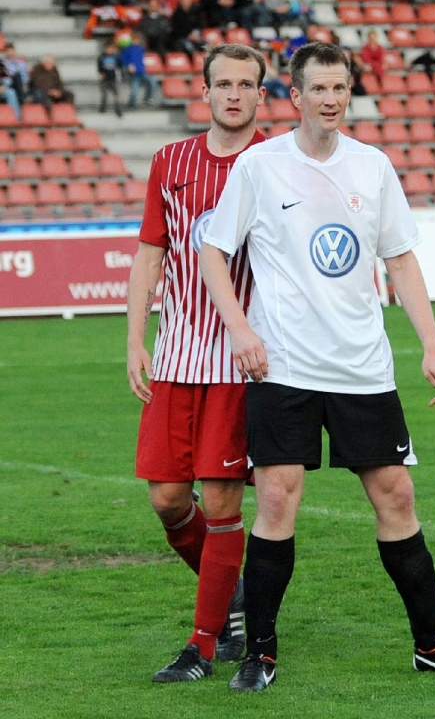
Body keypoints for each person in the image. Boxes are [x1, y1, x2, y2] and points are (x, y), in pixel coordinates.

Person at [199, 41, 435, 692]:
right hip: (283, 368)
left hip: (363, 368)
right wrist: (241, 328)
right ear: (295, 96)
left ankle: (433, 646)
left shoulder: (373, 165)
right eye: (319, 89)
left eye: (340, 88)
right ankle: (260, 654)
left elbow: (401, 260)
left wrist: (432, 346)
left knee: (396, 495)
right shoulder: (259, 166)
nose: (331, 99)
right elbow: (213, 251)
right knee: (276, 497)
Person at [127, 43, 267, 683]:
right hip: (177, 355)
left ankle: (202, 646)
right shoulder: (170, 161)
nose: (234, 95)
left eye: (246, 85)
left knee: (220, 501)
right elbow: (149, 254)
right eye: (223, 84)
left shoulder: (274, 163)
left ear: (261, 94)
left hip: (240, 363)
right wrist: (135, 340)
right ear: (204, 92)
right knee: (166, 499)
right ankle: (229, 587)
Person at [119, 31, 157, 108]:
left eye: (137, 40)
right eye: (134, 39)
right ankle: (131, 104)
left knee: (153, 82)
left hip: (142, 72)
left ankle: (147, 98)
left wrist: (143, 67)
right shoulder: (128, 49)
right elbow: (122, 59)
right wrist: (129, 65)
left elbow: (141, 59)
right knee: (134, 91)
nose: (136, 41)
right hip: (133, 74)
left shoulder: (140, 48)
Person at [97, 39, 123, 116]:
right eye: (108, 48)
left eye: (112, 48)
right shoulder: (101, 57)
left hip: (113, 78)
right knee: (104, 94)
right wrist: (101, 73)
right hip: (105, 79)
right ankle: (102, 108)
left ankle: (118, 108)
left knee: (117, 94)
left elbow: (120, 65)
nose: (110, 50)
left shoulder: (115, 57)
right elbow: (99, 67)